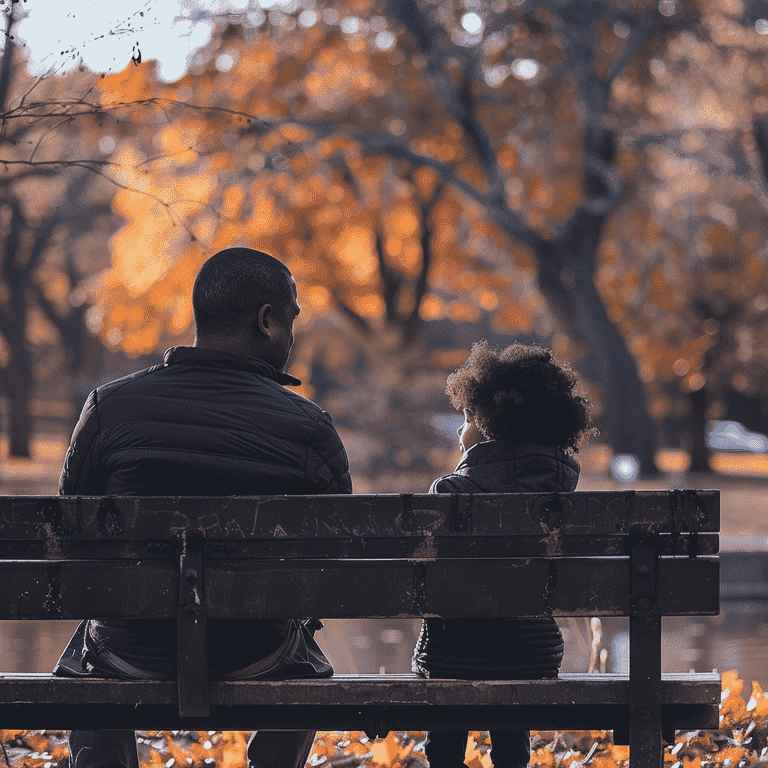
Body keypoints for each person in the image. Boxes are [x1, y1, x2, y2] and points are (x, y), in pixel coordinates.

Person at [55, 247, 352, 768]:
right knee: (307, 656)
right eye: (291, 320)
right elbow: (335, 561)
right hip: (257, 651)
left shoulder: (109, 407)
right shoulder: (309, 427)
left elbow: (71, 534)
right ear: (266, 321)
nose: (292, 335)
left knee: (89, 643)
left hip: (130, 650)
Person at [412, 340, 595, 768]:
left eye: (466, 419)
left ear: (487, 424)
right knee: (510, 662)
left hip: (451, 657)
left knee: (453, 664)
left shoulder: (451, 494)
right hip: (532, 656)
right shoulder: (562, 497)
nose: (460, 432)